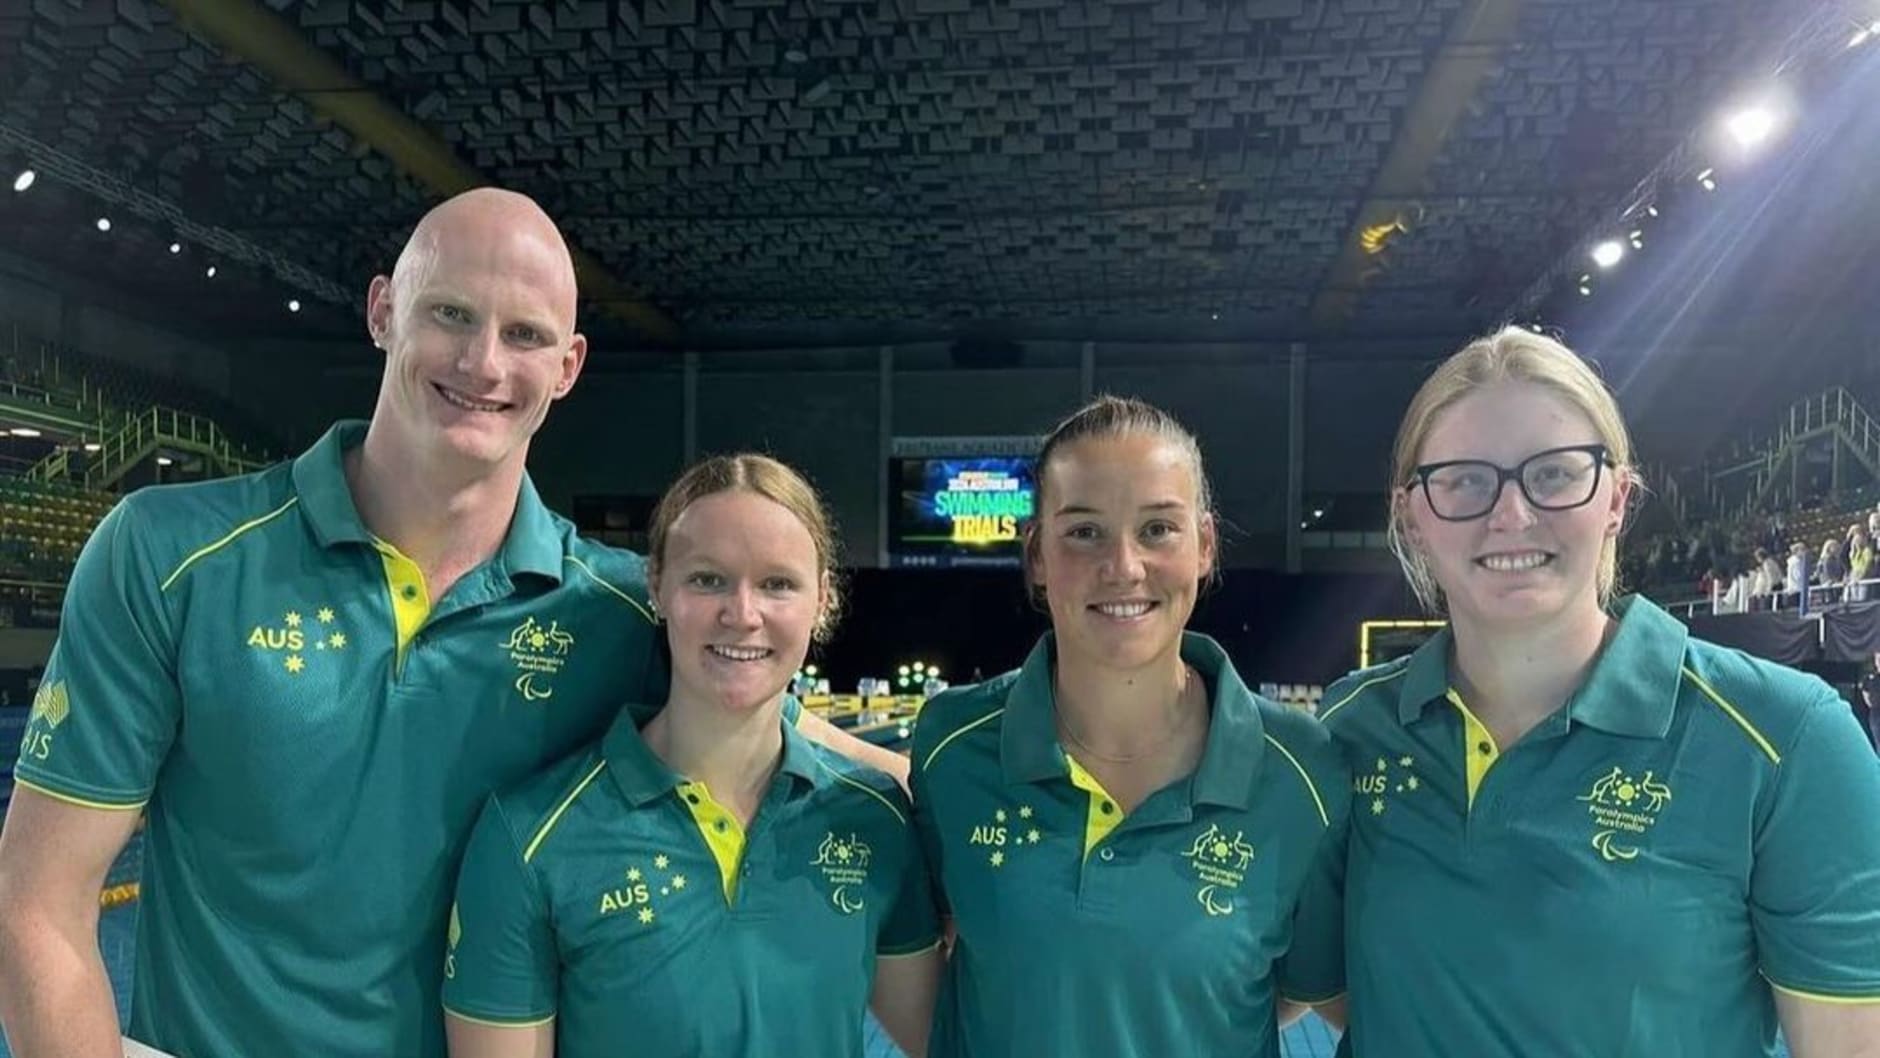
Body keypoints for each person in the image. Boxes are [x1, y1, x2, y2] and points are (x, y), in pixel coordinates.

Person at [0, 188, 906, 1058]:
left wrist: (952, 778)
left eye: (524, 335)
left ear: (569, 366)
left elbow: (783, 728)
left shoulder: (620, 607)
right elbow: (37, 900)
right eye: (451, 315)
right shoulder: (170, 557)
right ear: (383, 310)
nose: (483, 364)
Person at [1301, 327, 1880, 1056]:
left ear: (1617, 497)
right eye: (1465, 480)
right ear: (1413, 517)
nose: (1510, 514)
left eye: (1553, 474)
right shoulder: (1352, 728)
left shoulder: (1786, 738)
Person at [442, 454, 941, 1058]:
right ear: (656, 587)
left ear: (823, 599)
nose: (742, 613)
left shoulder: (875, 820)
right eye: (707, 579)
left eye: (778, 584)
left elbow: (930, 1041)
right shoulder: (532, 835)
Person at [910, 396, 1350, 1058]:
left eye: (1157, 529)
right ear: (1036, 554)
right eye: (1084, 531)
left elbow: (1283, 992)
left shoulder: (1299, 769)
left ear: (1204, 545)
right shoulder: (952, 746)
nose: (1123, 566)